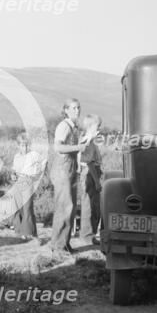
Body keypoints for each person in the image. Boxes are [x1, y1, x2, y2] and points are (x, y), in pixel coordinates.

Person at [49, 98, 86, 257]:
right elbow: (58, 146)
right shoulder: (63, 126)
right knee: (64, 207)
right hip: (62, 169)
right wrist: (79, 147)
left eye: (78, 108)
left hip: (69, 168)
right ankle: (58, 246)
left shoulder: (74, 127)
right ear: (65, 110)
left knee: (69, 208)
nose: (77, 111)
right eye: (73, 108)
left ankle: (64, 243)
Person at [10, 132, 43, 239]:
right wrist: (13, 175)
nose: (25, 147)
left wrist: (36, 177)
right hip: (18, 182)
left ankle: (29, 232)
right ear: (18, 146)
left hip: (28, 182)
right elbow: (14, 170)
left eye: (27, 145)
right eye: (23, 145)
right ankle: (20, 231)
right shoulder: (16, 156)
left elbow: (42, 165)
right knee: (17, 207)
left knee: (27, 208)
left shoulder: (33, 155)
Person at [79, 114, 103, 245]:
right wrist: (97, 181)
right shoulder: (87, 142)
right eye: (97, 126)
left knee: (93, 206)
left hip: (91, 173)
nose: (99, 129)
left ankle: (90, 234)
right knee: (89, 206)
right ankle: (87, 236)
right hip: (90, 174)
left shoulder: (89, 141)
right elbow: (89, 163)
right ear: (90, 127)